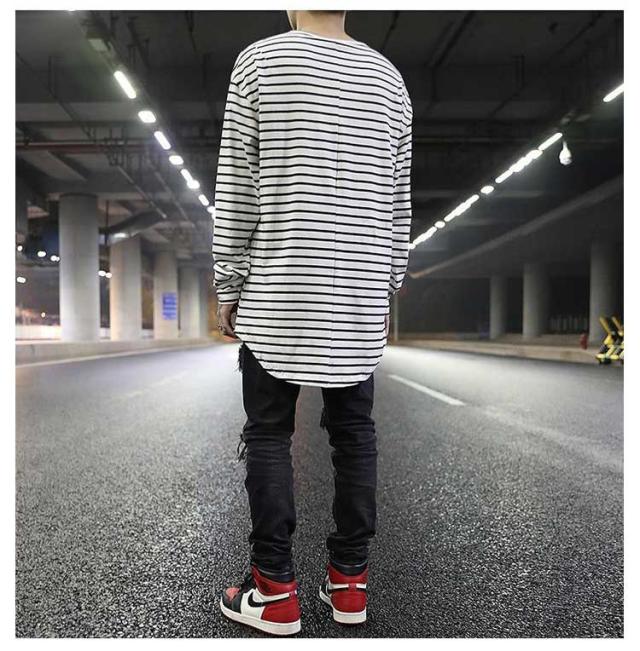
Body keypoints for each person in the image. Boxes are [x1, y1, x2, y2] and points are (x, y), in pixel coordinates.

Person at [213, 9, 412, 636]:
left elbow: (239, 186)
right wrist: (386, 286)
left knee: (270, 432)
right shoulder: (389, 79)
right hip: (355, 294)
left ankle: (274, 590)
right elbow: (397, 202)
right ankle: (350, 583)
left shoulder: (259, 62)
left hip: (280, 287)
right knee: (354, 433)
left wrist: (228, 282)